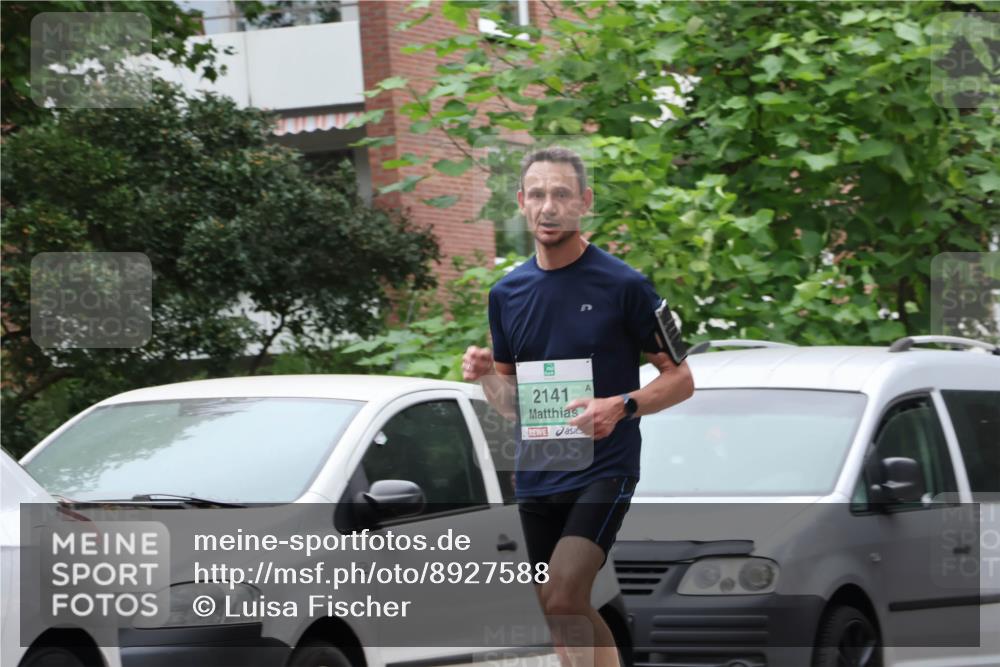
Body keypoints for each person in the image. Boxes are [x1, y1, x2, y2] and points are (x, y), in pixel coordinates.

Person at [462, 146, 695, 667]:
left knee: (566, 595)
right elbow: (511, 406)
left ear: (584, 202)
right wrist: (484, 377)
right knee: (558, 613)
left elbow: (681, 380)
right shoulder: (507, 294)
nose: (548, 207)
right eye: (537, 195)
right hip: (539, 471)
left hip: (603, 467)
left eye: (561, 194)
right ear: (521, 202)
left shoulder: (625, 286)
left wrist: (621, 406)